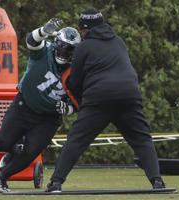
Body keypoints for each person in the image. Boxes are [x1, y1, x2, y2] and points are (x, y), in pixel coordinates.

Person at [46, 8, 166, 192]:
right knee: (142, 140)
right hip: (129, 94)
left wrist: (78, 104)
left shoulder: (83, 47)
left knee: (76, 141)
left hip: (99, 98)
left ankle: (56, 183)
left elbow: (75, 82)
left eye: (81, 30)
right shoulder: (119, 42)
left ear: (85, 29)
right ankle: (157, 182)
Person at [0, 18, 81, 193]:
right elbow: (31, 41)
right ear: (56, 44)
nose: (64, 54)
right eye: (63, 48)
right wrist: (43, 31)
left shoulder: (77, 70)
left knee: (31, 151)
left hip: (48, 118)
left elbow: (81, 101)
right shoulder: (44, 51)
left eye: (70, 51)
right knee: (1, 142)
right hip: (23, 106)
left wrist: (68, 108)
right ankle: (11, 150)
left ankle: (2, 177)